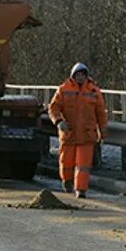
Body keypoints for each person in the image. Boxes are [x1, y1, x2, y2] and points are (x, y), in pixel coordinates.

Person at [48, 62, 108, 199]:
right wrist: (58, 121)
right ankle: (67, 181)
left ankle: (81, 189)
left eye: (83, 75)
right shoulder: (63, 90)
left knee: (83, 165)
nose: (81, 77)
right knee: (66, 163)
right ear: (73, 76)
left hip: (87, 135)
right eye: (78, 75)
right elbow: (53, 108)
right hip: (68, 133)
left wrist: (103, 132)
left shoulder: (94, 91)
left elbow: (101, 114)